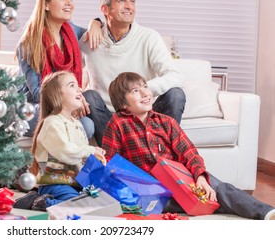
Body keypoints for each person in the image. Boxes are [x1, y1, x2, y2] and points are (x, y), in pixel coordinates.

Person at [101, 71, 275, 220]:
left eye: (145, 86)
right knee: (157, 203)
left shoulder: (166, 122)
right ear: (124, 104)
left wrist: (200, 177)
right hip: (150, 188)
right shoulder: (118, 123)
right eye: (135, 91)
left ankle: (267, 213)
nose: (145, 93)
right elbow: (110, 162)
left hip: (182, 178)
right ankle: (207, 204)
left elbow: (188, 152)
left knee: (219, 189)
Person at [80, 0, 185, 146]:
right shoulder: (90, 40)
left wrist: (140, 92)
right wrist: (94, 23)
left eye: (132, 1)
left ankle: (160, 154)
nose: (129, 6)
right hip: (110, 119)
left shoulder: (149, 37)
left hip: (144, 115)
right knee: (89, 96)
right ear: (105, 9)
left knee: (176, 94)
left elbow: (176, 77)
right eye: (122, 1)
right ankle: (120, 155)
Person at [16, 0, 102, 138]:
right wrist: (71, 99)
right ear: (46, 5)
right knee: (85, 126)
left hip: (62, 104)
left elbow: (93, 32)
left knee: (88, 120)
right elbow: (37, 92)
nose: (69, 3)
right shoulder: (29, 42)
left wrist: (95, 22)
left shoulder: (72, 31)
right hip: (31, 108)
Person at [13, 71, 106, 211]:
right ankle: (38, 202)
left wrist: (94, 164)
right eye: (71, 85)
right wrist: (91, 150)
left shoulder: (77, 124)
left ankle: (63, 201)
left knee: (99, 203)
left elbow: (79, 159)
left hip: (74, 184)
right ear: (57, 95)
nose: (79, 88)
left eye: (78, 85)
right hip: (55, 183)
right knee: (80, 207)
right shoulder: (52, 123)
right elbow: (66, 151)